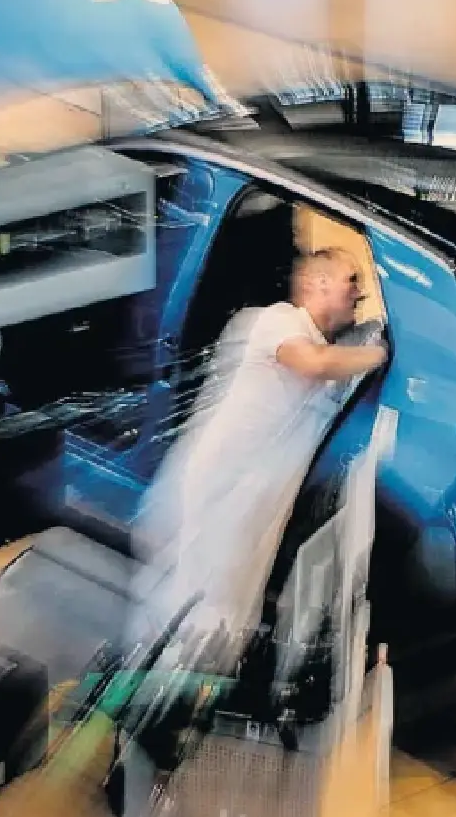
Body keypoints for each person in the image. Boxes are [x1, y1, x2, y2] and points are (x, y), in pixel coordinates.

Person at [130, 247, 389, 648]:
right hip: (222, 487)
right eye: (350, 280)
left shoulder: (327, 350)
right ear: (318, 283)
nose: (360, 292)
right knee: (196, 601)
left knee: (230, 610)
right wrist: (381, 351)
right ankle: (149, 670)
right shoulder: (279, 320)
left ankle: (188, 673)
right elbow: (314, 363)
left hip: (258, 501)